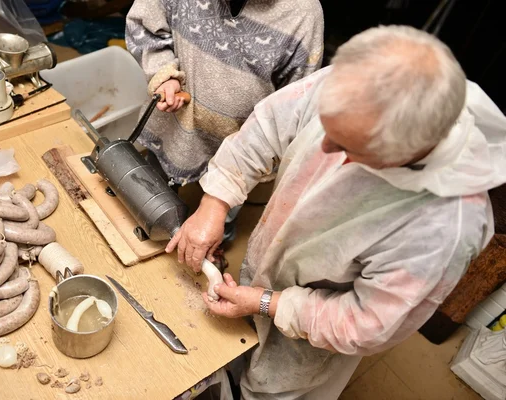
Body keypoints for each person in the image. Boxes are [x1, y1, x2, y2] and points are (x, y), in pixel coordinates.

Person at [166, 25, 506, 399]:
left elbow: (367, 323)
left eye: (345, 145)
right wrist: (215, 204)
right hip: (266, 270)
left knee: (269, 388)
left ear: (403, 154)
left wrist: (267, 302)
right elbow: (271, 125)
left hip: (316, 337)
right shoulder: (367, 77)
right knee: (234, 349)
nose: (322, 145)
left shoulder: (447, 226)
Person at [125, 0, 324, 270]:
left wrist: (219, 203)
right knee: (150, 190)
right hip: (170, 127)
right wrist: (164, 75)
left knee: (222, 218)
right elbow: (144, 23)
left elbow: (293, 110)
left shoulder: (303, 14)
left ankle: (214, 249)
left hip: (241, 148)